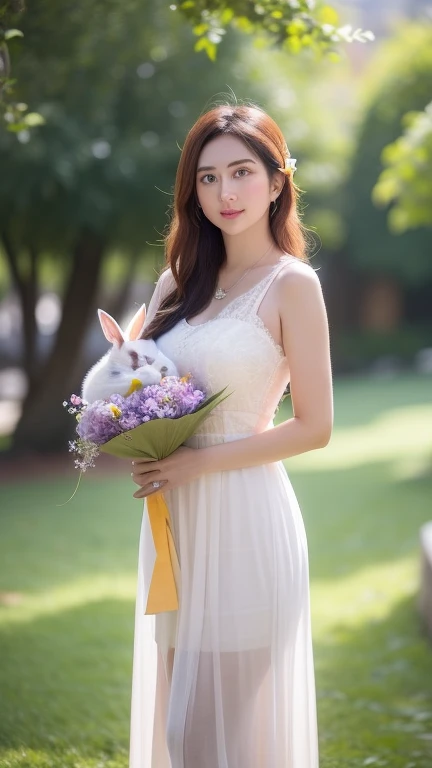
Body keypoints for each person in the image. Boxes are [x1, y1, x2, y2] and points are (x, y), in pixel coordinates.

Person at [129, 103, 333, 768]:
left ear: (277, 183)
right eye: (208, 178)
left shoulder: (292, 285)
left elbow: (315, 426)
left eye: (242, 172)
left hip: (246, 523)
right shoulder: (176, 284)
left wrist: (196, 464)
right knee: (184, 736)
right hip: (176, 529)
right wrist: (127, 421)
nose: (225, 192)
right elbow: (144, 386)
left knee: (202, 736)